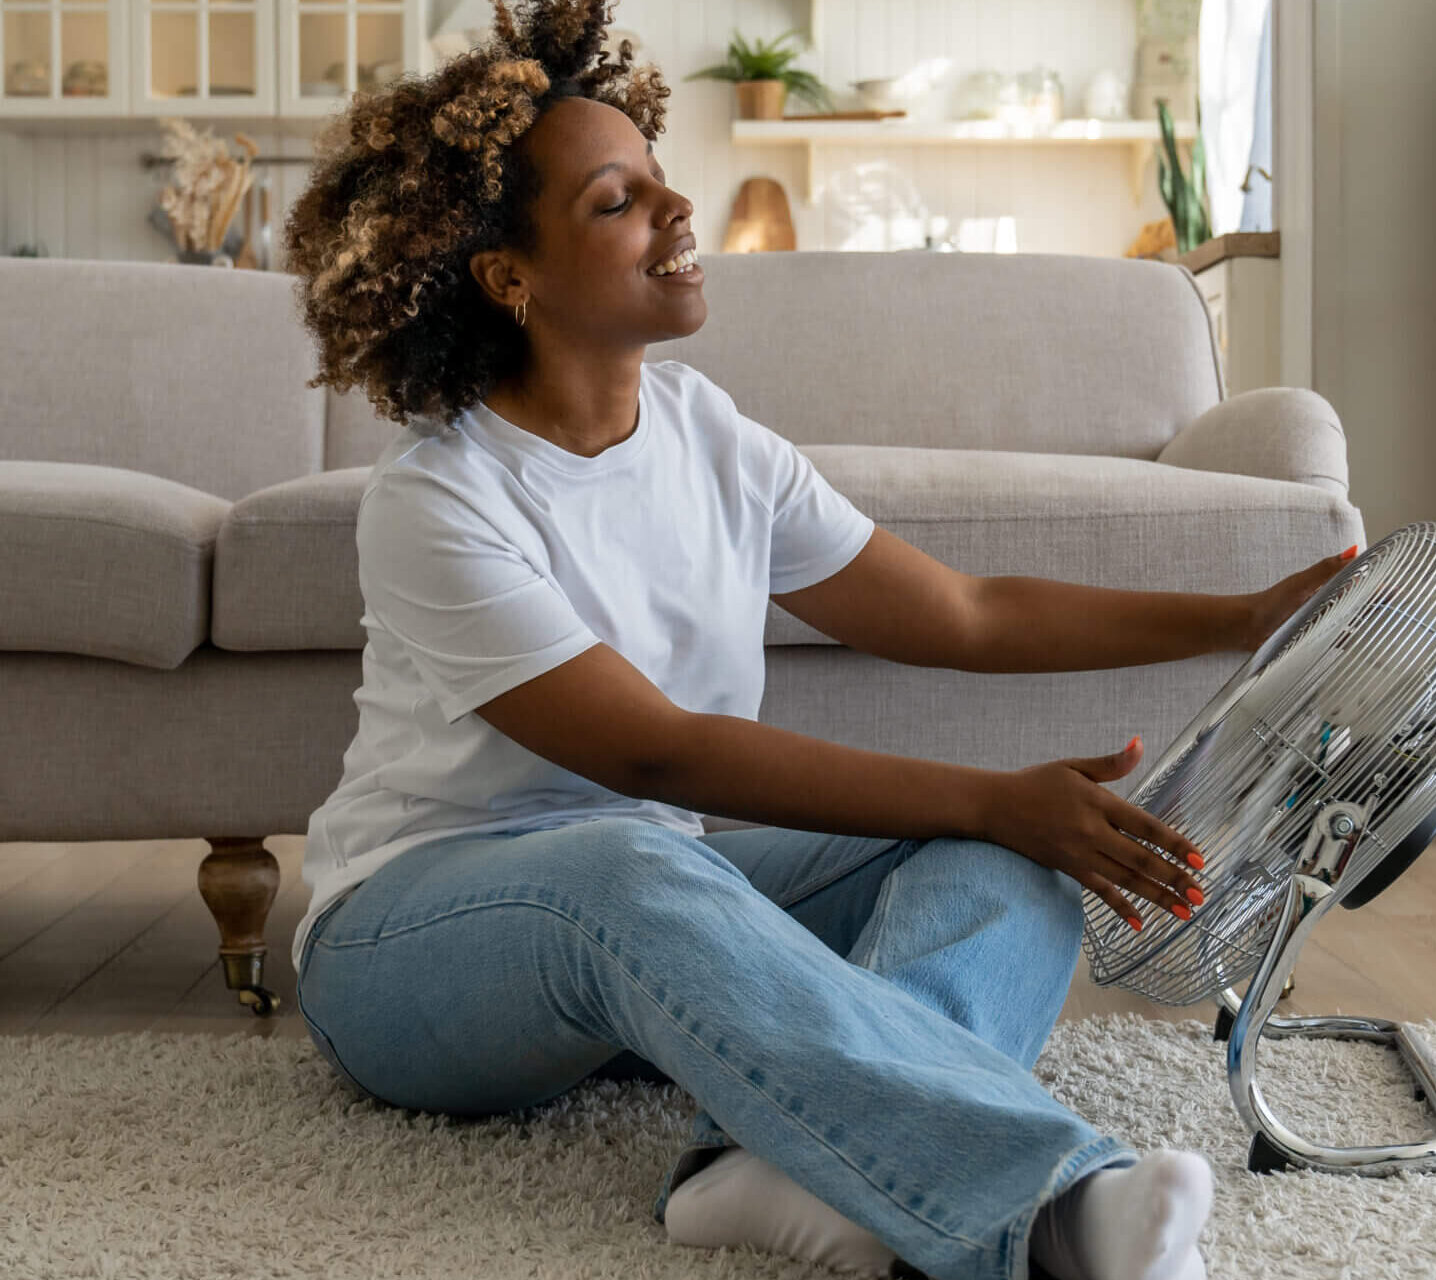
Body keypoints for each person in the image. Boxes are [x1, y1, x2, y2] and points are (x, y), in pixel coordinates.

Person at [279, 4, 1354, 1277]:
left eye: (661, 182)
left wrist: (1239, 622)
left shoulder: (704, 432)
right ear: (508, 277)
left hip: (655, 922)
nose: (678, 215)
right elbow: (660, 757)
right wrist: (998, 792)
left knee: (1001, 858)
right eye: (617, 202)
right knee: (647, 855)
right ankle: (1049, 1209)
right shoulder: (440, 494)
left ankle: (755, 1167)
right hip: (413, 949)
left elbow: (961, 611)